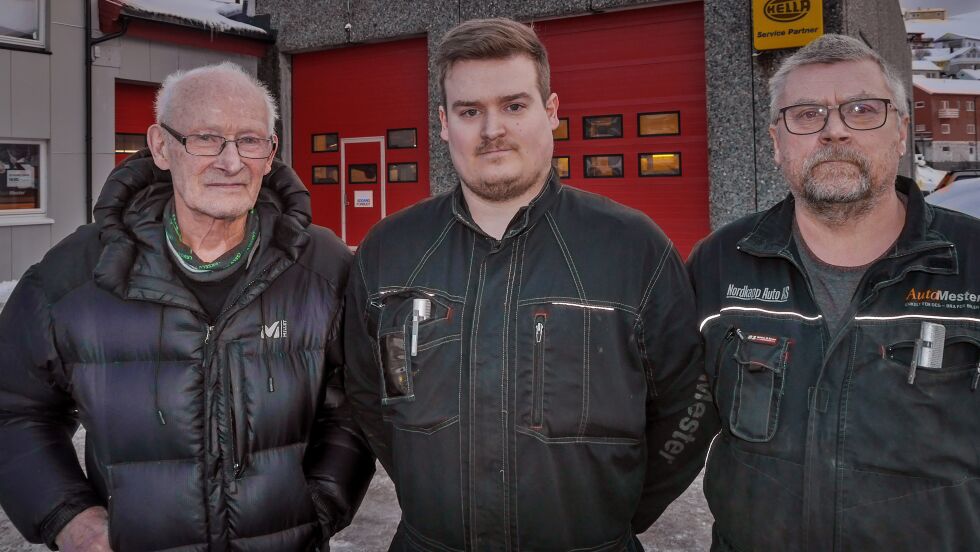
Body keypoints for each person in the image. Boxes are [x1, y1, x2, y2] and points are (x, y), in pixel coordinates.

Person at [344, 18, 716, 551]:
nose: (492, 128)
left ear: (552, 113)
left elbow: (688, 404)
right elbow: (366, 394)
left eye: (514, 105)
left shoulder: (632, 248)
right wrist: (430, 490)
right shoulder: (389, 251)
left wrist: (613, 517)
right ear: (444, 123)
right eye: (470, 111)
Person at [0, 62, 374, 551]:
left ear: (270, 153)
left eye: (250, 140)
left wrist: (318, 504)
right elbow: (13, 409)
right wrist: (68, 517)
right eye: (206, 138)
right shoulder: (76, 275)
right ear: (160, 147)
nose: (231, 161)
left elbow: (359, 403)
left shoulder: (323, 267)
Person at [688, 34, 980, 551]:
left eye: (863, 110)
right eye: (806, 115)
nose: (835, 131)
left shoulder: (972, 263)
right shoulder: (720, 262)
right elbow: (675, 426)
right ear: (777, 142)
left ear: (900, 133)